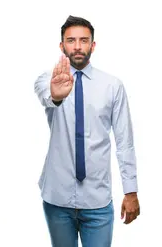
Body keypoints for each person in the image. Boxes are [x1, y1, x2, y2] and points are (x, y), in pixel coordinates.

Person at [33, 15, 141, 247]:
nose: (78, 46)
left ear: (93, 45)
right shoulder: (48, 80)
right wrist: (56, 96)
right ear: (62, 46)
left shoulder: (112, 85)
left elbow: (125, 141)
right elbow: (46, 97)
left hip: (98, 200)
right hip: (57, 197)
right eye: (71, 40)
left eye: (84, 40)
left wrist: (130, 191)